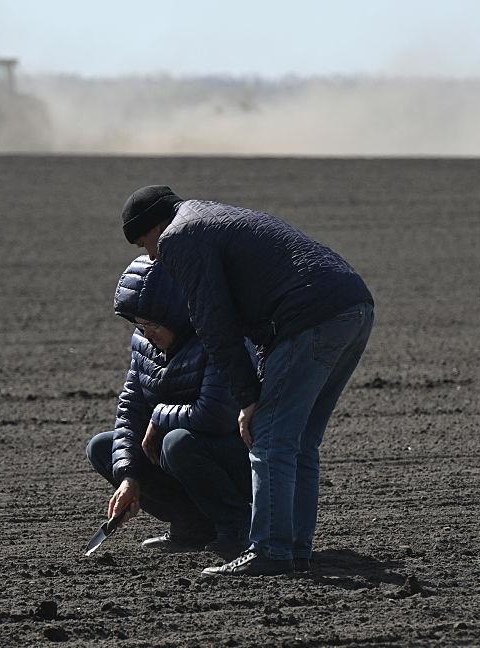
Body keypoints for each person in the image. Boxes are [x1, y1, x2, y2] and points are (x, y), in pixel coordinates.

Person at [119, 185, 375, 577]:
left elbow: (214, 324)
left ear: (156, 225)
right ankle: (295, 550)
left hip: (308, 318)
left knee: (269, 438)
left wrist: (247, 398)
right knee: (301, 441)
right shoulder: (212, 216)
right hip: (352, 307)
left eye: (144, 242)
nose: (152, 256)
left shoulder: (179, 237)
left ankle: (270, 551)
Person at [85, 255, 255, 560]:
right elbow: (130, 411)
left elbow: (216, 415)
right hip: (182, 452)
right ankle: (191, 526)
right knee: (102, 447)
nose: (146, 333)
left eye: (153, 324)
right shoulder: (144, 344)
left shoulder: (217, 339)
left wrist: (159, 417)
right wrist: (129, 477)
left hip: (236, 459)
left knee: (176, 442)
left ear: (177, 313)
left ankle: (237, 527)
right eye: (139, 325)